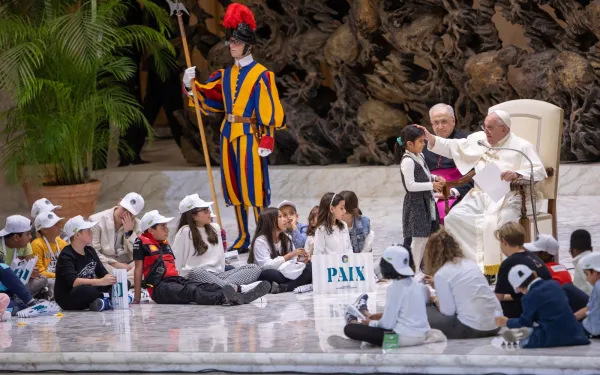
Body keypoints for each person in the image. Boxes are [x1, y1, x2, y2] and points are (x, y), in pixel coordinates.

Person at [182, 3, 286, 254]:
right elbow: (211, 100)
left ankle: (263, 235)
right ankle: (242, 235)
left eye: (236, 42)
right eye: (230, 41)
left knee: (255, 188)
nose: (232, 46)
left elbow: (269, 110)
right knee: (235, 188)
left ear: (248, 44)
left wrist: (267, 140)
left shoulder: (262, 75)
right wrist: (190, 86)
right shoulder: (225, 75)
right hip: (229, 135)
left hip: (251, 136)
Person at [417, 109, 547, 278]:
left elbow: (539, 171)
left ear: (504, 129)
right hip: (481, 195)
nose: (486, 131)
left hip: (512, 197)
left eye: (490, 128)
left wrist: (517, 175)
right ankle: (469, 267)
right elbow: (452, 146)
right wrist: (430, 137)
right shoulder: (479, 140)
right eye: (484, 126)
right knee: (454, 217)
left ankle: (501, 269)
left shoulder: (522, 147)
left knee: (498, 222)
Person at [133, 210, 269, 305]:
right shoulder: (141, 242)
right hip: (159, 288)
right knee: (192, 291)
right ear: (151, 230)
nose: (167, 229)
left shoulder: (162, 243)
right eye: (163, 227)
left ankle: (238, 294)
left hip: (176, 280)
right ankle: (227, 297)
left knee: (204, 286)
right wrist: (137, 298)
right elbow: (138, 269)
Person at [328, 246, 443, 348]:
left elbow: (388, 324)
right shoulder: (421, 287)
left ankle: (356, 331)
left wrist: (371, 324)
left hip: (399, 341)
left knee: (349, 329)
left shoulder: (395, 288)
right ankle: (363, 334)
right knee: (375, 328)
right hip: (421, 337)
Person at [423, 230, 501, 339]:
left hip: (472, 328)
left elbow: (448, 311)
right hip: (496, 324)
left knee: (426, 312)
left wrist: (435, 299)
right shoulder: (470, 263)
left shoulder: (441, 274)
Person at [173, 194, 262, 288]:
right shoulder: (185, 231)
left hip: (219, 276)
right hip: (197, 278)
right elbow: (177, 261)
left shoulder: (215, 228)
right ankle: (239, 288)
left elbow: (220, 258)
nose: (209, 213)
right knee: (195, 272)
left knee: (253, 268)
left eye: (208, 209)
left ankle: (227, 288)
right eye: (205, 210)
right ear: (193, 216)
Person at [495, 264, 589, 348]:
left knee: (526, 338)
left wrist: (507, 322)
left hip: (552, 336)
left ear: (519, 288)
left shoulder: (528, 297)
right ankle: (525, 333)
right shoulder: (554, 284)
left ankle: (523, 335)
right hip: (576, 334)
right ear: (534, 274)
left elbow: (525, 322)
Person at [396, 125, 443, 271]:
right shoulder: (408, 161)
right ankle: (414, 269)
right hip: (416, 203)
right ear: (410, 144)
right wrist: (431, 185)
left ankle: (421, 267)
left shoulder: (419, 156)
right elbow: (410, 186)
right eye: (421, 141)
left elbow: (425, 173)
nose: (423, 144)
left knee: (427, 236)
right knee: (418, 239)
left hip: (426, 201)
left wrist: (434, 177)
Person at [54, 216, 117, 311]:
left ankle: (100, 301)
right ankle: (107, 299)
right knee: (87, 290)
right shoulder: (66, 255)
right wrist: (101, 282)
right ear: (77, 235)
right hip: (69, 296)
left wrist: (111, 280)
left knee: (122, 283)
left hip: (90, 288)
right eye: (88, 231)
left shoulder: (90, 251)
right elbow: (74, 282)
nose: (91, 233)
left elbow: (101, 271)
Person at [423, 104, 473, 223]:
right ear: (431, 123)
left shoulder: (467, 140)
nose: (440, 127)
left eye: (444, 121)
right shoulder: (424, 143)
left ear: (453, 121)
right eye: (436, 122)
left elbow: (475, 174)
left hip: (457, 190)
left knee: (442, 214)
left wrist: (453, 191)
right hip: (430, 190)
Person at [494, 222, 551, 318]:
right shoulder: (532, 256)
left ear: (504, 241)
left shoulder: (508, 264)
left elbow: (497, 300)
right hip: (547, 305)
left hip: (531, 312)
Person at [249, 208, 311, 294]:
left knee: (309, 267)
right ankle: (292, 284)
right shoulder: (260, 241)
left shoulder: (287, 238)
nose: (285, 219)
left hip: (286, 273)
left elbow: (293, 262)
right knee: (270, 273)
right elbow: (265, 266)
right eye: (280, 216)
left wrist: (301, 261)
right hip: (272, 274)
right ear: (271, 222)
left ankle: (283, 287)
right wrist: (289, 255)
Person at [89, 192, 145, 284]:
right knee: (94, 263)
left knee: (147, 261)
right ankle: (127, 281)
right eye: (124, 209)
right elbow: (92, 251)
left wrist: (129, 233)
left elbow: (138, 254)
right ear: (120, 202)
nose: (125, 214)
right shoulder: (96, 220)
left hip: (128, 266)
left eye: (130, 213)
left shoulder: (138, 225)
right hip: (106, 263)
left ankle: (123, 281)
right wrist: (115, 264)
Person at [0, 215, 48, 298]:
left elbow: (29, 267)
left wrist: (31, 272)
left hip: (17, 282)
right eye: (27, 234)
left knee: (43, 279)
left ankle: (17, 296)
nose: (30, 237)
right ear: (16, 237)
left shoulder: (26, 244)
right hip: (3, 284)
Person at [31, 211, 67, 292]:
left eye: (59, 223)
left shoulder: (62, 243)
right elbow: (40, 272)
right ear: (44, 230)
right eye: (55, 224)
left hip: (61, 276)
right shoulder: (36, 244)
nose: (60, 226)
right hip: (46, 279)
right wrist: (61, 276)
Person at [575, 252, 600, 337]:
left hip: (591, 331)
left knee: (567, 288)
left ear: (595, 272)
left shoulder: (598, 286)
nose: (586, 278)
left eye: (587, 274)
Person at [570, 229, 593, 295]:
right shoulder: (595, 259)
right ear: (591, 248)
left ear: (573, 250)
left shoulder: (582, 263)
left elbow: (594, 290)